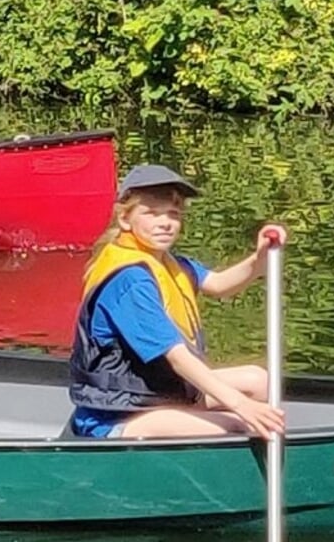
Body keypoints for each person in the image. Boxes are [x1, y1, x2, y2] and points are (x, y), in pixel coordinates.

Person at [66, 164, 287, 440]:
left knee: (258, 381)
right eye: (151, 213)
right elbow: (178, 358)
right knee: (239, 424)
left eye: (173, 214)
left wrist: (260, 258)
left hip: (152, 396)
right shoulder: (130, 282)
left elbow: (219, 284)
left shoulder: (168, 264)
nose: (165, 223)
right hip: (116, 416)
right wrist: (242, 407)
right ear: (125, 219)